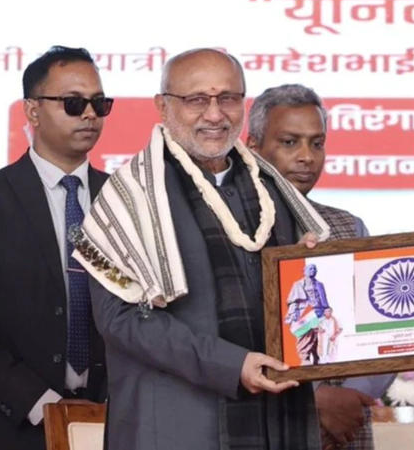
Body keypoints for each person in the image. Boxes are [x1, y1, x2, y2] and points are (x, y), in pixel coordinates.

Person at [79, 49, 332, 450]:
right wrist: (231, 365)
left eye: (227, 98)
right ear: (162, 106)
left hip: (276, 422)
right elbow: (121, 319)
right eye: (197, 99)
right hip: (174, 428)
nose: (215, 115)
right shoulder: (125, 199)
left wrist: (310, 267)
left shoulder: (275, 193)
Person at [0, 46, 111, 449]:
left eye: (99, 103)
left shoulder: (124, 199)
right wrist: (41, 404)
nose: (89, 114)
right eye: (73, 103)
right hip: (11, 425)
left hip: (113, 421)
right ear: (32, 111)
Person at [248, 83, 395, 450]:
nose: (306, 157)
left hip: (346, 429)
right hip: (263, 425)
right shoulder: (229, 230)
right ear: (252, 148)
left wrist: (351, 397)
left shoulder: (349, 227)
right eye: (289, 142)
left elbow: (382, 328)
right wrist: (312, 397)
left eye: (317, 143)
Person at [285, 263, 330, 365]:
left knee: (318, 336)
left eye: (314, 268)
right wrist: (293, 313)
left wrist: (327, 309)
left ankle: (317, 357)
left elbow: (324, 300)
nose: (312, 270)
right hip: (304, 315)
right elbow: (292, 301)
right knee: (305, 336)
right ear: (304, 271)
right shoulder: (298, 285)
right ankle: (305, 357)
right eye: (310, 268)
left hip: (318, 314)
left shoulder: (319, 284)